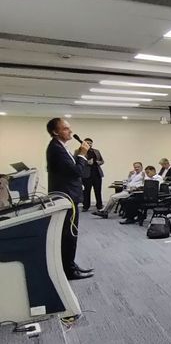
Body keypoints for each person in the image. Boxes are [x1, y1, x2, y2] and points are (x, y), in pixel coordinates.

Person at [45, 117, 93, 280]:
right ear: (55, 132)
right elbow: (76, 171)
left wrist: (79, 155)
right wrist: (82, 155)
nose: (70, 131)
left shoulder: (59, 147)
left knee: (69, 234)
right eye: (65, 128)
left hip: (68, 195)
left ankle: (69, 264)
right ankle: (69, 270)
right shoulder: (56, 149)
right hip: (67, 196)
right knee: (69, 234)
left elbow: (69, 170)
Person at [81, 137, 104, 212]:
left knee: (98, 191)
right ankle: (86, 206)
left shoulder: (96, 151)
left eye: (90, 143)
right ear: (84, 143)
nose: (89, 144)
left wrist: (98, 162)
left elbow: (102, 161)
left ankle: (99, 205)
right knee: (86, 191)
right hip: (86, 175)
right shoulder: (79, 151)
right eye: (87, 143)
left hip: (97, 174)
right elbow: (76, 161)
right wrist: (86, 162)